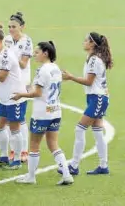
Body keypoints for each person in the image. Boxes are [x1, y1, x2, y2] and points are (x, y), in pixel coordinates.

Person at [12, 41, 74, 185]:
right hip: (55, 112)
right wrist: (29, 88)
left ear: (45, 53)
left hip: (42, 114)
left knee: (34, 145)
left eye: (37, 52)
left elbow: (38, 93)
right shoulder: (56, 68)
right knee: (53, 144)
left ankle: (31, 177)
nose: (35, 55)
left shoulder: (42, 70)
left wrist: (22, 94)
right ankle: (66, 174)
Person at [61, 32, 112, 175]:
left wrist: (71, 77)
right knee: (97, 131)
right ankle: (103, 166)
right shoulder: (92, 58)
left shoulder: (94, 60)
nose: (83, 42)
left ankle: (74, 166)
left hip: (98, 98)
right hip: (97, 98)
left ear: (92, 44)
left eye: (86, 41)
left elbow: (89, 81)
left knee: (80, 128)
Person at [0, 24, 27, 170]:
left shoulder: (5, 55)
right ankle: (4, 157)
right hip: (5, 99)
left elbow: (2, 77)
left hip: (14, 98)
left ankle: (16, 160)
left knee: (15, 128)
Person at [4, 12, 33, 162]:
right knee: (10, 120)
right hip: (9, 83)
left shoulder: (27, 41)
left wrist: (9, 55)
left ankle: (24, 151)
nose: (11, 30)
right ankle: (13, 150)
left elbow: (23, 64)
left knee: (20, 119)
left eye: (14, 27)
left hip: (22, 83)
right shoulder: (7, 40)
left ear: (21, 27)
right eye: (9, 27)